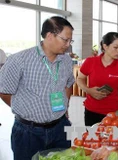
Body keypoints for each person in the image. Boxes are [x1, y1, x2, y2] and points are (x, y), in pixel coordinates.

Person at [0, 16, 75, 160]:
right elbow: (3, 91)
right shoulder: (20, 60)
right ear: (49, 36)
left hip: (60, 127)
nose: (68, 44)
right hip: (28, 132)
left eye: (70, 40)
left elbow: (68, 83)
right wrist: (25, 110)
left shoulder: (65, 60)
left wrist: (65, 108)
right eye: (65, 40)